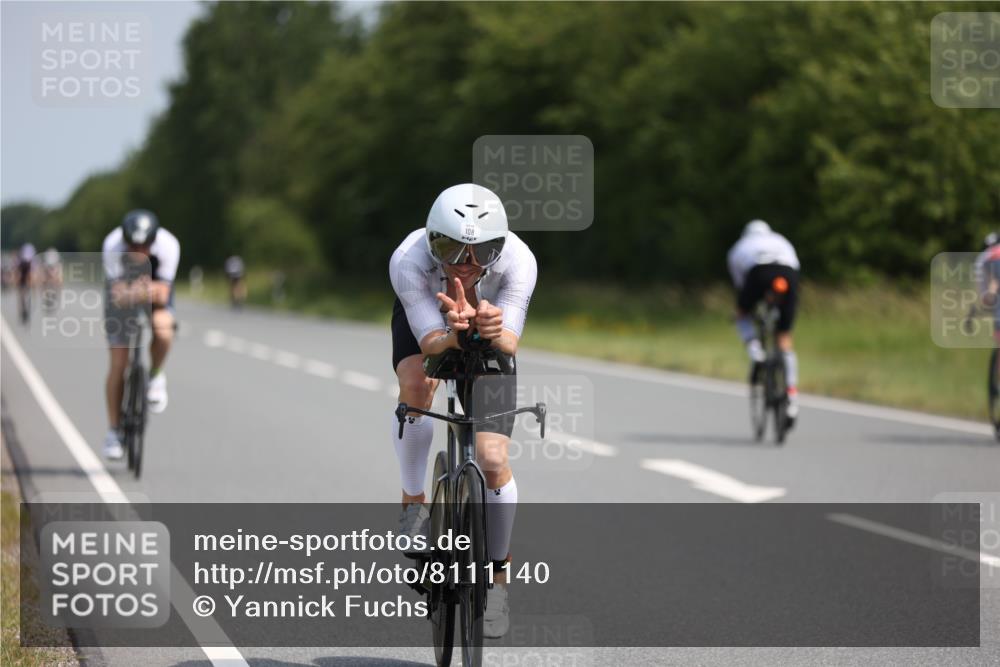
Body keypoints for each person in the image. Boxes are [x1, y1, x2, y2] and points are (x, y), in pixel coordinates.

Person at [388, 183, 536, 638]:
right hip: (431, 322)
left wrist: (489, 326)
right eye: (451, 248)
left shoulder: (518, 261)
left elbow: (509, 343)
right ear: (432, 239)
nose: (465, 263)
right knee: (418, 383)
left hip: (489, 329)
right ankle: (414, 501)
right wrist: (452, 332)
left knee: (493, 459)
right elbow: (431, 343)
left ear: (501, 247)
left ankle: (497, 579)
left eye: (481, 251)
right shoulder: (409, 259)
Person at [101, 210, 180, 460]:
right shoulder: (112, 245)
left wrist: (137, 292)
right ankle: (114, 430)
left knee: (163, 329)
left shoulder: (168, 245)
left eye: (144, 245)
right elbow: (118, 295)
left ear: (153, 241)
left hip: (150, 287)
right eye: (133, 245)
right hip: (123, 293)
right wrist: (141, 292)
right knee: (119, 363)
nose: (138, 250)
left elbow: (164, 294)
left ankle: (156, 375)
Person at [727, 220, 801, 424]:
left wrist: (744, 309)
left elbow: (741, 285)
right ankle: (792, 396)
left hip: (758, 273)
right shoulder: (781, 240)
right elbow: (795, 267)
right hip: (788, 275)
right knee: (784, 338)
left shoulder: (739, 248)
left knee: (742, 315)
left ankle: (755, 351)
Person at [39, 247, 63, 312]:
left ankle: (56, 295)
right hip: (47, 269)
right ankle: (44, 295)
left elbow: (59, 275)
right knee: (43, 280)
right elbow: (43, 273)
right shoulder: (45, 264)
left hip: (55, 268)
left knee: (59, 281)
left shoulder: (57, 264)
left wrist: (57, 279)